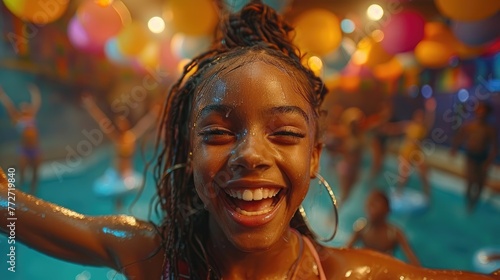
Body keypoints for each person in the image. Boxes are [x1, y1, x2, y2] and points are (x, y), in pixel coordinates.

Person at [1, 2, 499, 279]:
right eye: (217, 134)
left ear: (315, 156)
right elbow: (13, 212)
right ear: (187, 152)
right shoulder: (155, 259)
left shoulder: (347, 275)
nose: (251, 155)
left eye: (284, 133)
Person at [82, 93, 158, 210]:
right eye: (119, 123)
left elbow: (144, 125)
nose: (121, 125)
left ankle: (120, 206)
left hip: (127, 176)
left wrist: (153, 114)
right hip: (115, 175)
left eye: (123, 123)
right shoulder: (116, 139)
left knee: (123, 198)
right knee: (115, 198)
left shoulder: (130, 138)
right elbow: (102, 121)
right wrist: (91, 107)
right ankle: (118, 206)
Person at [346, 189, 420, 266]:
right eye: (369, 204)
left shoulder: (394, 233)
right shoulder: (361, 228)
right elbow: (345, 251)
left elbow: (414, 262)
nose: (371, 208)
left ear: (386, 210)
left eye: (375, 205)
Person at [451, 102, 498, 211]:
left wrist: (488, 162)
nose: (481, 112)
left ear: (487, 113)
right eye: (479, 110)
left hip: (483, 158)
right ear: (476, 111)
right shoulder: (469, 126)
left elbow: (494, 148)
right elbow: (459, 137)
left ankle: (473, 204)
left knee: (480, 184)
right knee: (470, 182)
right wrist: (454, 149)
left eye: (483, 110)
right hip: (471, 157)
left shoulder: (490, 129)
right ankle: (468, 204)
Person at [0, 84, 41, 194]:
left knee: (35, 172)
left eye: (26, 105)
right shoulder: (17, 119)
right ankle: (21, 190)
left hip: (35, 148)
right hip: (24, 150)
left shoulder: (31, 116)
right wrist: (2, 95)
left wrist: (34, 92)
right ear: (20, 110)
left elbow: (36, 103)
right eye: (23, 106)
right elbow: (9, 106)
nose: (25, 106)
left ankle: (33, 191)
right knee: (22, 171)